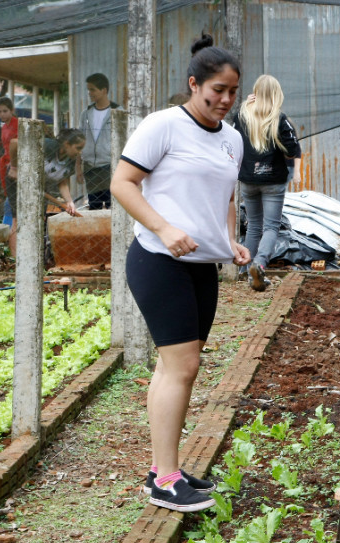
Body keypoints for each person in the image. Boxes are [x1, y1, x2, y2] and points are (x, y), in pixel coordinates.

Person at [110, 33, 250, 512]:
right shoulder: (163, 125)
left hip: (201, 266)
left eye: (232, 92)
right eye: (217, 91)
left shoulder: (232, 138)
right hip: (157, 258)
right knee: (182, 366)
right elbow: (123, 184)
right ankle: (165, 481)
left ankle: (162, 467)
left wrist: (229, 240)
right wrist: (164, 227)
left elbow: (225, 197)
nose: (226, 101)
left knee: (180, 369)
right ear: (194, 84)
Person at [233, 74, 301, 292]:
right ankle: (259, 265)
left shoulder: (241, 116)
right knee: (271, 226)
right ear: (276, 95)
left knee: (253, 226)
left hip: (248, 180)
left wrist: (245, 106)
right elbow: (292, 150)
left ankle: (245, 270)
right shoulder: (280, 119)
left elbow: (232, 142)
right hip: (273, 181)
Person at [5, 128, 85, 252]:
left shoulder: (71, 158)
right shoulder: (48, 145)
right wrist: (14, 168)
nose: (80, 152)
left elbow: (62, 181)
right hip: (17, 181)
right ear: (67, 144)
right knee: (19, 219)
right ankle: (15, 261)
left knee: (39, 219)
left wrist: (69, 201)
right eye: (78, 148)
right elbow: (14, 142)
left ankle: (33, 256)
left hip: (40, 186)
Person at [77, 73, 122, 209]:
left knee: (113, 208)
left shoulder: (118, 112)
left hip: (110, 167)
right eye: (88, 89)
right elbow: (80, 140)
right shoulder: (86, 113)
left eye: (92, 89)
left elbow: (124, 141)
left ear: (104, 90)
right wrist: (78, 167)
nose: (89, 93)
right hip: (90, 168)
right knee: (93, 207)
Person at [0, 97, 18, 228]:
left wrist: (15, 163)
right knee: (9, 197)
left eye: (5, 111)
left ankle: (8, 228)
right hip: (6, 165)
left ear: (12, 110)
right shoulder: (4, 127)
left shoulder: (17, 124)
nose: (2, 114)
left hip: (16, 166)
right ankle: (7, 227)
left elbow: (21, 145)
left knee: (11, 200)